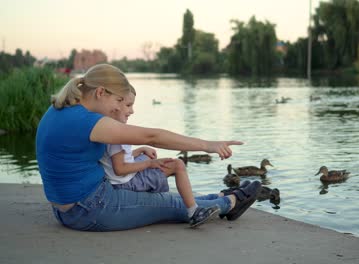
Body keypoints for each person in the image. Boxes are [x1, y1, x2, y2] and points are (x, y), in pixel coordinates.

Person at [36, 64, 262, 231]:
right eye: (118, 101)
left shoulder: (59, 110)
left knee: (170, 199)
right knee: (172, 204)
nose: (119, 109)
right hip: (90, 209)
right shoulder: (87, 121)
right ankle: (230, 202)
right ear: (100, 92)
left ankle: (220, 194)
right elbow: (152, 136)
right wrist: (208, 145)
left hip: (66, 209)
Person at [99, 86, 211, 223]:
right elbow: (120, 169)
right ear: (115, 104)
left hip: (117, 180)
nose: (132, 111)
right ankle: (193, 212)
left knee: (148, 155)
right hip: (125, 183)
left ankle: (154, 189)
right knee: (178, 165)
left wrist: (140, 150)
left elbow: (115, 159)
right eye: (128, 105)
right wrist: (149, 164)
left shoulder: (105, 127)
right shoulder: (117, 134)